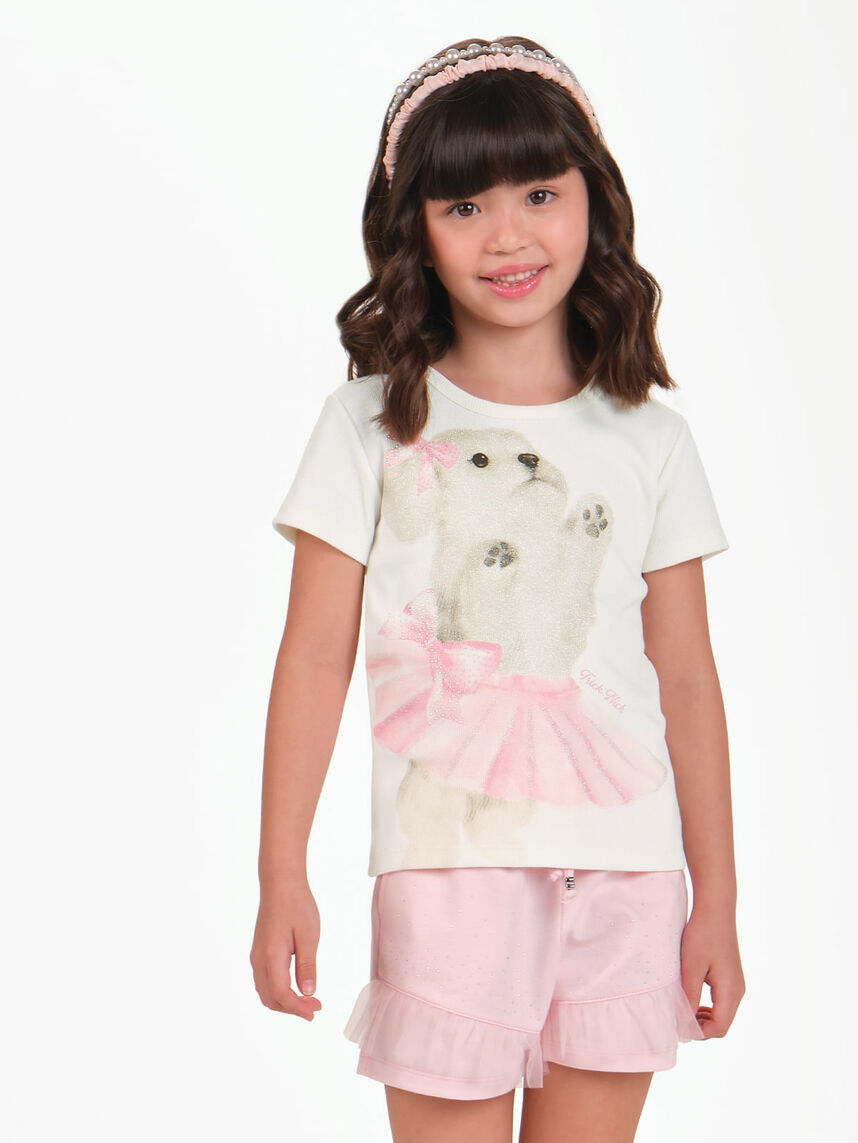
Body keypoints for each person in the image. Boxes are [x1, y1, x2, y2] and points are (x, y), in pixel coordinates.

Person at [250, 34, 745, 1143]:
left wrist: (716, 896)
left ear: (592, 203)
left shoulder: (652, 440)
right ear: (415, 233)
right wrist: (283, 873)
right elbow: (314, 659)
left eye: (538, 193)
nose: (508, 235)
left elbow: (688, 680)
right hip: (448, 868)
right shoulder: (370, 426)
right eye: (464, 206)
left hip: (629, 878)